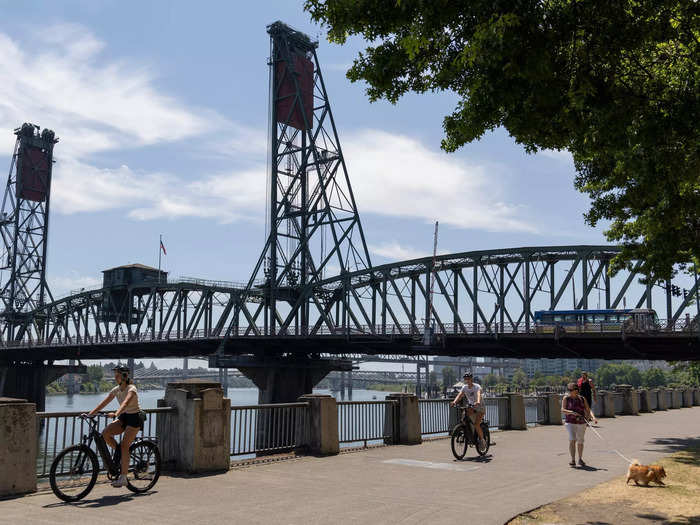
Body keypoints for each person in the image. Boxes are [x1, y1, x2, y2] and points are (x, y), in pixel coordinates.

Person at [86, 365, 143, 488]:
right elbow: (104, 402)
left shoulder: (131, 388)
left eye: (117, 375)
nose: (115, 377)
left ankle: (123, 478)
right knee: (105, 433)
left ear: (125, 376)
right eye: (115, 375)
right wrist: (90, 414)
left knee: (124, 445)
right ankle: (120, 453)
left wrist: (116, 413)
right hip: (124, 417)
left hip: (134, 418)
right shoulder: (116, 389)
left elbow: (125, 402)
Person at [450, 372, 486, 450]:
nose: (467, 380)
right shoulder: (464, 387)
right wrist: (454, 402)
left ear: (471, 379)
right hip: (471, 406)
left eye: (468, 378)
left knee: (476, 424)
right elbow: (460, 395)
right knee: (464, 419)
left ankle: (482, 440)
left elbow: (478, 393)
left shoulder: (477, 386)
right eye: (466, 379)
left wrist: (478, 401)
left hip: (480, 407)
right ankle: (470, 434)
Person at [562, 381, 593, 467]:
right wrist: (572, 412)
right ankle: (572, 459)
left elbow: (588, 409)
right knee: (572, 439)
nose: (573, 391)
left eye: (575, 389)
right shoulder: (566, 398)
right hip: (570, 422)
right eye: (571, 390)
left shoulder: (582, 399)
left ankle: (580, 459)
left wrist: (591, 417)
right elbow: (563, 410)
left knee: (580, 440)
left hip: (581, 422)